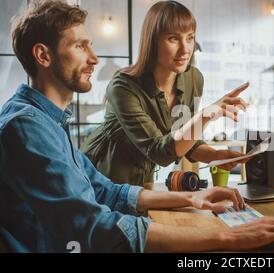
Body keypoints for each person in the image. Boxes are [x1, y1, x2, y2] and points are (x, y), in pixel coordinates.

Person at [0, 0, 274, 253]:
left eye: (90, 45)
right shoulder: (27, 127)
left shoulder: (48, 121)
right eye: (80, 46)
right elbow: (93, 227)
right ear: (43, 55)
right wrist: (232, 237)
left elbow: (105, 191)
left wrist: (193, 196)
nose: (94, 59)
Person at [81, 1, 248, 186]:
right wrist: (206, 115)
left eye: (190, 37)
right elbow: (159, 151)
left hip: (143, 184)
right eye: (173, 39)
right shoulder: (123, 86)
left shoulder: (193, 79)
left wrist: (215, 156)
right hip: (99, 180)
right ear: (152, 41)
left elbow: (182, 138)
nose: (185, 49)